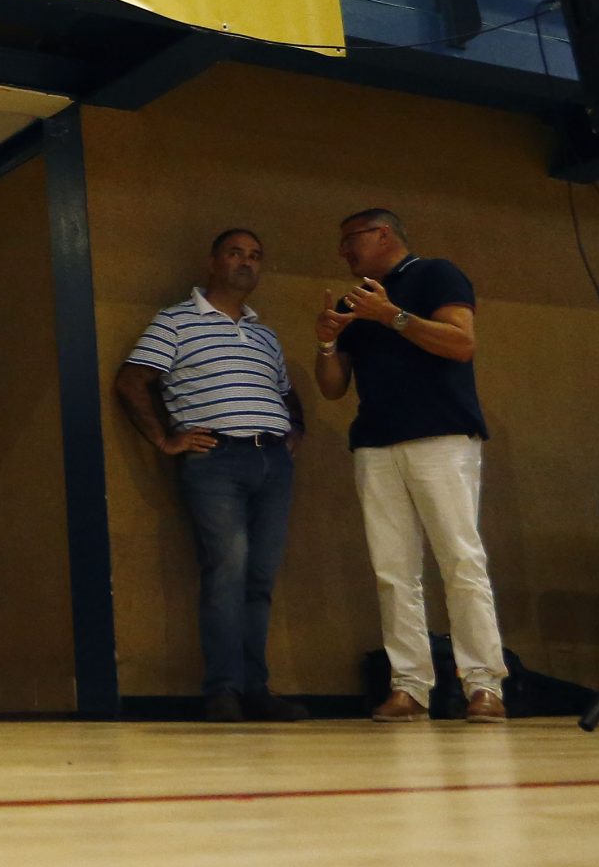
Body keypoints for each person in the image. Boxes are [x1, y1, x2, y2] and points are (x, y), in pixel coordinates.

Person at [312, 208, 505, 723]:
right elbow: (332, 388)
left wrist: (391, 316)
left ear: (383, 234)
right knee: (393, 570)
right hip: (376, 444)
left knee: (460, 560)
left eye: (351, 239)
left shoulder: (436, 273)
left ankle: (484, 684)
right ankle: (410, 687)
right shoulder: (356, 301)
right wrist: (327, 340)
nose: (344, 251)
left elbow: (461, 343)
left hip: (441, 436)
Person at [114, 229, 311, 723]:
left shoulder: (264, 334)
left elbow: (285, 391)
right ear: (212, 262)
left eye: (255, 256)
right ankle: (223, 691)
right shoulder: (176, 321)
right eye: (235, 253)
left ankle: (255, 689)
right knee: (227, 570)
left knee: (260, 576)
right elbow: (132, 380)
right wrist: (165, 440)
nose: (246, 262)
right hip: (216, 460)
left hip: (273, 462)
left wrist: (295, 429)